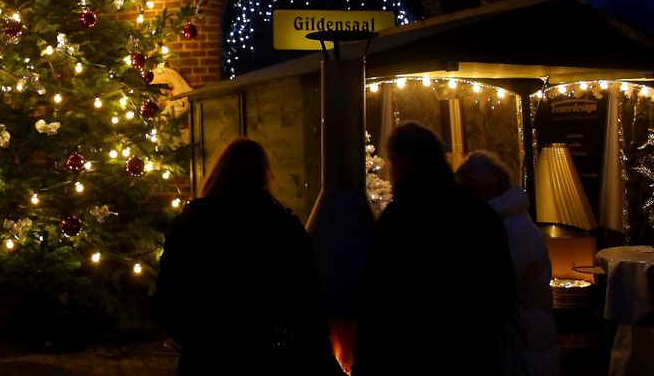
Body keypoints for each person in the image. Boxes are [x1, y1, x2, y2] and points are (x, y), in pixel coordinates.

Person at [154, 137, 340, 375]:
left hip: (205, 357)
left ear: (218, 173)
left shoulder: (190, 224)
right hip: (265, 357)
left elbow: (167, 296)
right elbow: (307, 300)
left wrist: (192, 335)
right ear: (264, 175)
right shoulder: (283, 226)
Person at [353, 122, 517, 376]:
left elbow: (380, 302)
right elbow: (502, 291)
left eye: (393, 163)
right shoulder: (479, 213)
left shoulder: (400, 221)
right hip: (473, 358)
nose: (391, 173)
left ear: (404, 163)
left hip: (411, 361)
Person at [456, 151, 559, 376]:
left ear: (481, 191)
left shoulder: (508, 233)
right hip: (524, 347)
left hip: (520, 353)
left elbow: (488, 293)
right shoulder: (512, 224)